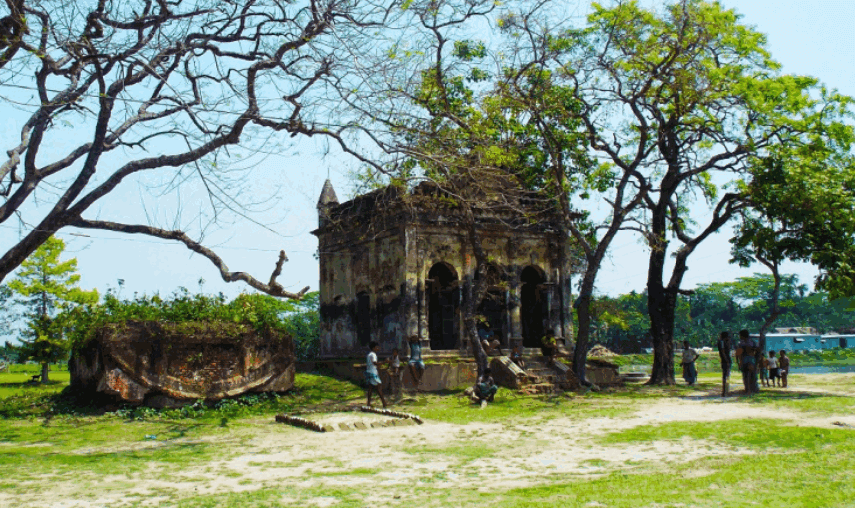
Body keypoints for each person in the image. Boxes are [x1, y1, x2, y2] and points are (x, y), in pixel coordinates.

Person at [364, 341, 387, 408]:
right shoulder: (373, 355)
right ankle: (384, 403)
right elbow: (375, 363)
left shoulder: (369, 355)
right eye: (377, 347)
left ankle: (368, 403)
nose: (378, 348)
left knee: (370, 389)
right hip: (373, 373)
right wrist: (384, 362)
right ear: (374, 348)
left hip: (369, 372)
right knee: (379, 388)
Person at [736, 330, 759, 394]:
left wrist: (739, 361)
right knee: (750, 375)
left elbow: (739, 353)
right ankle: (752, 388)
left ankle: (748, 389)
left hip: (746, 359)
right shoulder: (752, 342)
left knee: (747, 375)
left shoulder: (741, 343)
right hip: (750, 359)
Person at [716, 331, 732, 396]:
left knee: (726, 375)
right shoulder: (722, 342)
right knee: (726, 375)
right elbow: (722, 352)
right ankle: (725, 391)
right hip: (726, 359)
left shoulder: (722, 342)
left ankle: (726, 390)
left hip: (725, 359)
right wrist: (727, 360)